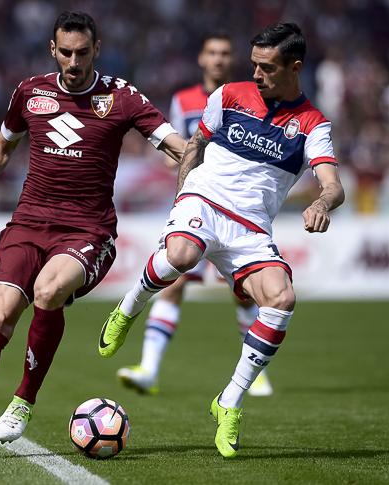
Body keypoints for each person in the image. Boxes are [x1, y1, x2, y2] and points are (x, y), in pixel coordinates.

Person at [0, 11, 184, 463]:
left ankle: (23, 401)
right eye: (65, 52)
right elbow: (3, 143)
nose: (74, 62)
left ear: (96, 49)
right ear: (53, 49)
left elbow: (175, 145)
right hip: (28, 222)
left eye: (82, 52)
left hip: (88, 228)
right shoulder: (30, 92)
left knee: (48, 291)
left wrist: (208, 165)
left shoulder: (121, 97)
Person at [99, 23, 344, 458]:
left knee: (282, 299)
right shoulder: (229, 95)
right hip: (205, 201)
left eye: (268, 67)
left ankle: (229, 401)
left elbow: (333, 184)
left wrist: (323, 203)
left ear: (295, 67)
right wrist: (182, 198)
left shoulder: (313, 123)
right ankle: (128, 308)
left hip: (251, 230)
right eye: (254, 65)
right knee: (181, 254)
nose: (257, 74)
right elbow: (195, 145)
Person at [116, 32, 272, 398]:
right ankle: (149, 369)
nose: (218, 59)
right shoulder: (183, 100)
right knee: (174, 281)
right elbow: (177, 149)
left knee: (244, 293)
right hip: (197, 205)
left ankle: (256, 373)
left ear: (233, 59)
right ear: (201, 59)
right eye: (212, 52)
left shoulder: (250, 98)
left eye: (225, 53)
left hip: (235, 208)